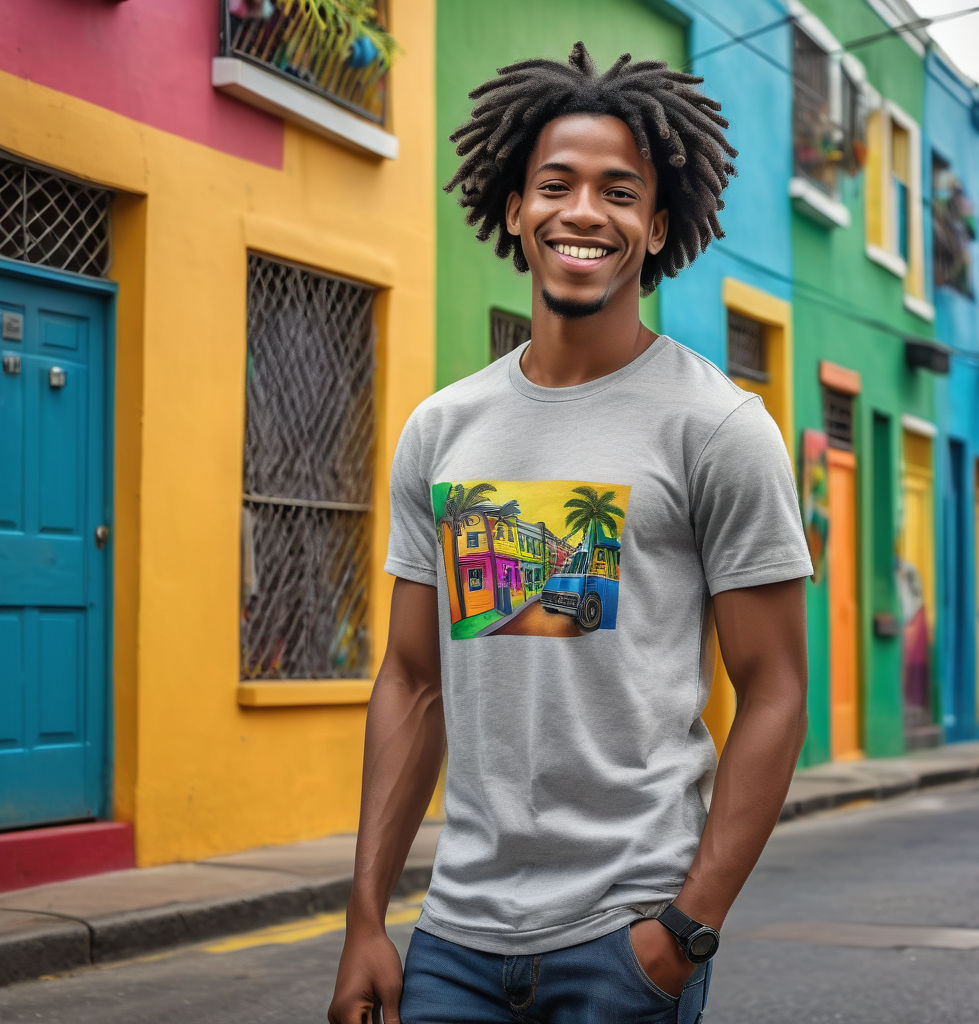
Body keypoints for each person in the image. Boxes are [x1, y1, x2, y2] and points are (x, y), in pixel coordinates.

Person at [328, 42, 812, 1024]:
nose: (583, 211)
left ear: (658, 225)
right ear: (514, 210)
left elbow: (774, 688)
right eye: (555, 184)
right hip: (455, 938)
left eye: (618, 191)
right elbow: (414, 680)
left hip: (624, 937)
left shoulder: (716, 427)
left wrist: (684, 929)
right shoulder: (443, 429)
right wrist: (366, 919)